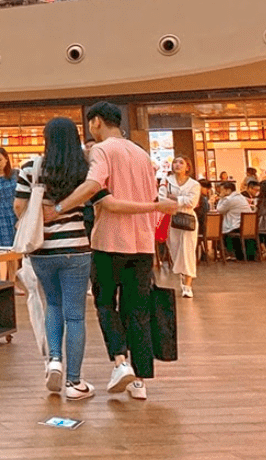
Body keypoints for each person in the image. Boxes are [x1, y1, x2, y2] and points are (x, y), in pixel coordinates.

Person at [50, 101, 177, 402]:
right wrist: (153, 212)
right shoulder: (143, 155)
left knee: (106, 304)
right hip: (143, 245)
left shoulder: (102, 150)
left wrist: (58, 208)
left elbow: (98, 190)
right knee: (138, 311)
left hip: (109, 243)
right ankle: (140, 381)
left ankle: (121, 362)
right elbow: (154, 199)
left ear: (95, 122)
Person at [14, 118, 96, 401]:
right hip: (76, 248)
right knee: (75, 314)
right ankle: (74, 382)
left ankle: (54, 362)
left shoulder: (31, 167)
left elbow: (18, 206)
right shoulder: (83, 169)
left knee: (53, 305)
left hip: (42, 249)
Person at [160, 155, 201, 298]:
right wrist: (180, 201)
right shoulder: (166, 181)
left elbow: (192, 202)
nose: (177, 165)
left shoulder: (194, 184)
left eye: (181, 162)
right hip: (171, 219)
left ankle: (188, 284)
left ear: (187, 167)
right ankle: (182, 279)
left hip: (188, 219)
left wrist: (176, 199)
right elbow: (161, 198)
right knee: (176, 250)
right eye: (175, 162)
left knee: (188, 250)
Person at [215, 181, 255, 260]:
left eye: (222, 190)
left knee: (219, 231)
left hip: (235, 226)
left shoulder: (229, 199)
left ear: (228, 190)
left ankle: (229, 254)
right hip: (246, 226)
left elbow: (219, 210)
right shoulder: (240, 197)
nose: (220, 192)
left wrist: (221, 198)